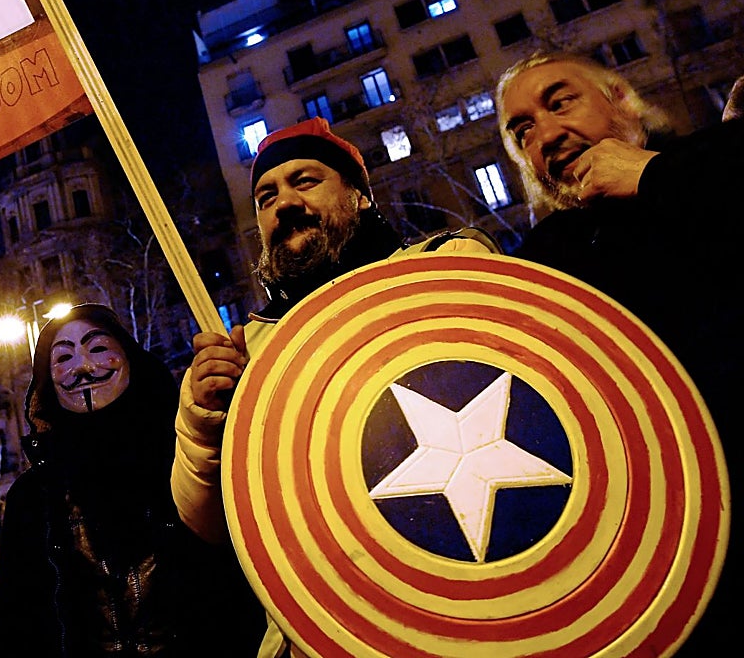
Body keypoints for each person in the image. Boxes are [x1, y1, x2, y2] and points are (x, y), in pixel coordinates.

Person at [171, 118, 498, 656]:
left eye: (306, 181)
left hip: (471, 600)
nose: (284, 205)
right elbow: (209, 523)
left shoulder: (446, 269)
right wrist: (203, 424)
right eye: (265, 196)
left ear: (360, 195)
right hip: (328, 630)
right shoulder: (246, 350)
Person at [495, 50, 744, 653]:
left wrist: (652, 177)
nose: (547, 134)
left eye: (561, 102)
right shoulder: (542, 263)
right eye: (523, 130)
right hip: (670, 574)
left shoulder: (712, 163)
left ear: (623, 101)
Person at [0, 302, 266, 657]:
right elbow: (19, 620)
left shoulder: (184, 460)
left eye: (98, 349)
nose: (83, 367)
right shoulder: (32, 498)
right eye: (63, 359)